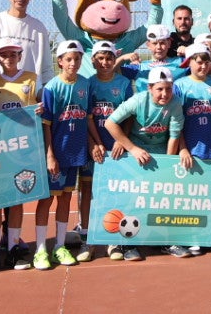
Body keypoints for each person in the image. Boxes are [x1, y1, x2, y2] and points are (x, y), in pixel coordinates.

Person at [101, 66, 184, 261]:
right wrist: (132, 148)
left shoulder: (175, 104)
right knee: (131, 197)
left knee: (163, 198)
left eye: (168, 89)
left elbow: (174, 137)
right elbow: (110, 123)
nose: (164, 94)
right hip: (137, 152)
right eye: (160, 89)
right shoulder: (138, 100)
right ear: (150, 88)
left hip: (161, 153)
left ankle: (166, 241)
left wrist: (167, 165)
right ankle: (127, 243)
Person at [0, 37, 41, 272]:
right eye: (4, 55)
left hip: (24, 150)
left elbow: (40, 104)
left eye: (13, 54)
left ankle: (14, 246)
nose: (9, 58)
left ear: (19, 56)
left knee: (17, 200)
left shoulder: (32, 79)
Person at [35, 40, 94, 270]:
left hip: (75, 152)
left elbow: (87, 118)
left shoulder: (85, 85)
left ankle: (59, 246)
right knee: (47, 199)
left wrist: (94, 143)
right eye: (68, 59)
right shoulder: (51, 88)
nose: (73, 63)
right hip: (57, 152)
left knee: (66, 199)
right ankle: (41, 249)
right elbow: (46, 125)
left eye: (77, 59)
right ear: (60, 61)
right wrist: (50, 155)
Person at [169, 43, 211, 257]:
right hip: (191, 150)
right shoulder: (180, 85)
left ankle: (210, 237)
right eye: (198, 61)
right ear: (189, 62)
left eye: (205, 61)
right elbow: (176, 121)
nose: (202, 65)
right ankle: (191, 238)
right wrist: (182, 148)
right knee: (190, 198)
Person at [80, 42, 132, 258]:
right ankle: (87, 238)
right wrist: (93, 143)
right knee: (88, 190)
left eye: (108, 58)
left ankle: (114, 240)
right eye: (100, 58)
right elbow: (84, 116)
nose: (104, 63)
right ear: (93, 61)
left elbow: (130, 115)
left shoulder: (124, 83)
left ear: (114, 60)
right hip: (93, 147)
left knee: (116, 191)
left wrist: (122, 140)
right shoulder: (87, 84)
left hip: (116, 147)